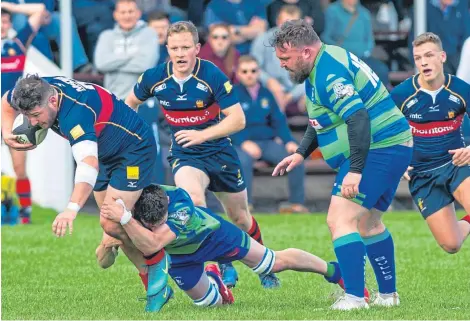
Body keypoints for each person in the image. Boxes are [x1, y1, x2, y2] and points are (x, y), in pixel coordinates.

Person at [125, 21, 280, 289]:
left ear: (197, 48)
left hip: (219, 152)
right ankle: (222, 264)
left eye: (186, 47)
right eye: (174, 48)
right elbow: (130, 104)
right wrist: (132, 136)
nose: (180, 53)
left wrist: (202, 134)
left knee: (240, 217)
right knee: (195, 202)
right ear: (167, 49)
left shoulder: (211, 75)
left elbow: (238, 120)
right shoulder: (154, 78)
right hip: (186, 155)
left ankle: (264, 264)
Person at [270, 19, 413, 310]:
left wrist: (356, 171)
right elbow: (322, 118)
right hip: (392, 145)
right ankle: (388, 296)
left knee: (340, 220)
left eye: (285, 58)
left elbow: (358, 118)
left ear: (306, 52)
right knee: (369, 223)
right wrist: (301, 152)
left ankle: (355, 298)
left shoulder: (328, 73)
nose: (281, 65)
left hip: (380, 148)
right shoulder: (324, 61)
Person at [1, 75, 170, 312]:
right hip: (106, 152)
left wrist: (71, 210)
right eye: (28, 116)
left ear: (52, 101)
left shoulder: (75, 114)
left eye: (36, 115)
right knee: (112, 229)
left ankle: (159, 260)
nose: (32, 122)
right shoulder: (36, 89)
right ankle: (153, 283)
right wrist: (7, 132)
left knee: (111, 223)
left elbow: (88, 165)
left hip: (133, 150)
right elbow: (5, 102)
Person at [99, 184, 345, 309]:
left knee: (274, 262)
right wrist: (109, 245)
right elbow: (102, 263)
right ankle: (214, 278)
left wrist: (125, 222)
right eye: (150, 224)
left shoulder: (180, 201)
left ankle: (333, 271)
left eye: (160, 221)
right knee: (211, 305)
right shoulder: (128, 206)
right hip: (180, 258)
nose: (157, 225)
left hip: (214, 236)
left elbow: (154, 242)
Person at [390, 32, 470, 254]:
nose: (423, 62)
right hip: (422, 174)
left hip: (456, 164)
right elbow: (381, 131)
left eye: (429, 55)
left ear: (442, 57)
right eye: (418, 58)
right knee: (451, 244)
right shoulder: (402, 94)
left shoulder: (461, 90)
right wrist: (398, 160)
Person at [232, 55, 307, 213]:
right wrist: (243, 142)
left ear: (259, 72)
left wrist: (289, 141)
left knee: (294, 158)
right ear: (238, 74)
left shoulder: (266, 93)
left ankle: (296, 204)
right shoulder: (232, 94)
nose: (249, 74)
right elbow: (227, 123)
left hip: (266, 142)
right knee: (243, 161)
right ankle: (246, 205)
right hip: (240, 143)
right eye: (244, 71)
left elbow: (278, 121)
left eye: (253, 70)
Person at [1, 1, 47, 224]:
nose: (1, 24)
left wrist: (7, 5)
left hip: (15, 113)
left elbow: (39, 9)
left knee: (19, 166)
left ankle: (25, 214)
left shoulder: (17, 43)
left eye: (4, 20)